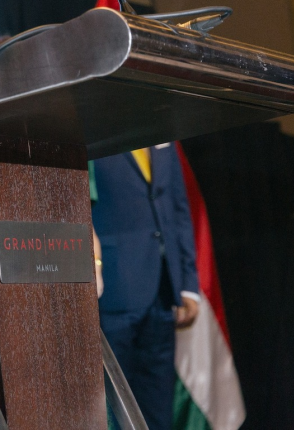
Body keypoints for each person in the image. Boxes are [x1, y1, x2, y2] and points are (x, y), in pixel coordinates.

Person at [92, 145, 199, 430]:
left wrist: (188, 284)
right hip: (114, 291)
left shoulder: (162, 131)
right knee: (113, 408)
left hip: (163, 291)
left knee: (158, 408)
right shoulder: (95, 129)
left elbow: (178, 206)